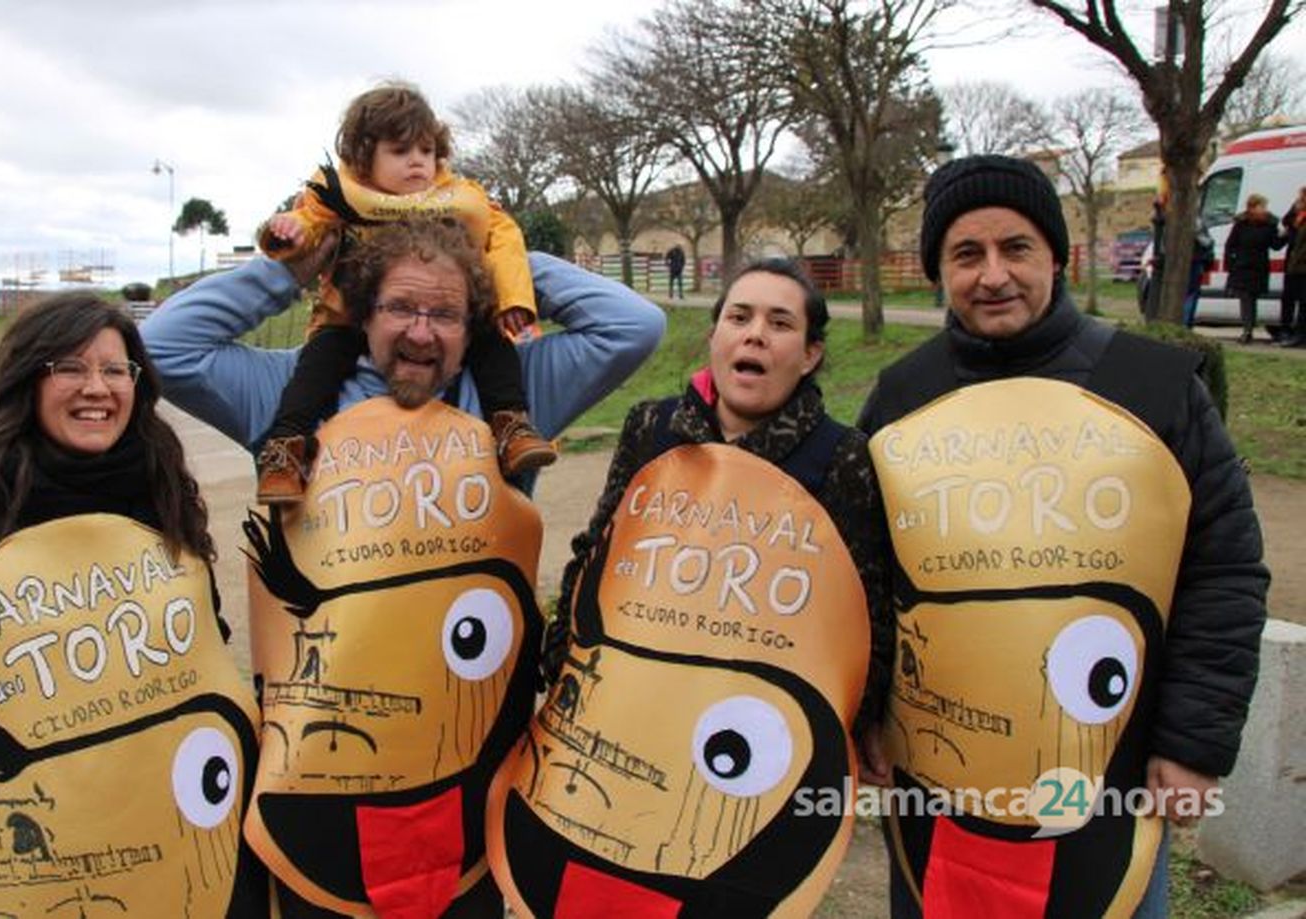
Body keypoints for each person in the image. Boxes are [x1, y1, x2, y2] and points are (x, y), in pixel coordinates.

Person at [143, 217, 664, 919]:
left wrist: (502, 257)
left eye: (445, 312)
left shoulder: (513, 398)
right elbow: (160, 346)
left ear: (472, 322)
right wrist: (291, 269)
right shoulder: (290, 396)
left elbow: (633, 325)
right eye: (400, 308)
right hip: (322, 767)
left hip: (466, 768)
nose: (422, 333)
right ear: (361, 312)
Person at [858, 154, 1267, 918]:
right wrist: (868, 711)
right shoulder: (901, 396)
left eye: (1015, 248)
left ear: (1055, 255)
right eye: (966, 254)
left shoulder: (1155, 386)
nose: (993, 275)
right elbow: (868, 577)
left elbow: (1224, 571)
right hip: (941, 787)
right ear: (939, 269)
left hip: (1112, 776)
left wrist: (1193, 745)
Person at [497, 259, 893, 916]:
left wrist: (839, 732)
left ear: (811, 352)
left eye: (780, 322)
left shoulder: (841, 455)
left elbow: (865, 616)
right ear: (715, 335)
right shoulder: (653, 426)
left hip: (736, 759)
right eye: (739, 317)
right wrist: (564, 657)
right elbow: (596, 552)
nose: (755, 334)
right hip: (625, 724)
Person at [0, 293, 262, 919]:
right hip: (40, 864)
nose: (96, 388)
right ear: (26, 378)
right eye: (69, 368)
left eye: (115, 369)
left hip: (177, 841)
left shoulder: (158, 491)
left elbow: (202, 647)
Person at [254, 81, 554, 506]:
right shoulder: (340, 195)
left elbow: (504, 238)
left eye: (426, 151)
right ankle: (286, 450)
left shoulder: (459, 195)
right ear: (364, 157)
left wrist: (512, 299)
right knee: (316, 366)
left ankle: (510, 425)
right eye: (400, 151)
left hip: (438, 316)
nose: (417, 162)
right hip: (347, 317)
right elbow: (309, 222)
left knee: (490, 341)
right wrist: (289, 233)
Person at [1223, 192, 1282, 344]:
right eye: (1261, 206)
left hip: (1259, 268)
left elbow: (1275, 245)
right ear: (1252, 207)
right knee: (1246, 299)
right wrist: (1230, 264)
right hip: (1242, 267)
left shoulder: (1269, 225)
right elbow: (1230, 245)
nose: (1264, 209)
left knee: (1252, 299)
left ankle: (1249, 329)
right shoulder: (1241, 224)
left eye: (1264, 206)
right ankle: (1247, 330)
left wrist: (1285, 235)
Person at [1277, 185, 1306, 347]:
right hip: (1294, 263)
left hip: (1301, 265)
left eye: (1301, 198)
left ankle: (1300, 334)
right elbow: (1286, 221)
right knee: (1289, 297)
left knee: (1303, 301)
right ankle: (1287, 329)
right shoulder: (1298, 216)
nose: (1298, 201)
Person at [1184, 228, 1214, 329]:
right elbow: (1206, 242)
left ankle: (1184, 323)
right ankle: (1186, 324)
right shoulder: (1196, 222)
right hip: (1194, 261)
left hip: (1183, 262)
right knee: (1191, 295)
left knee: (1187, 294)